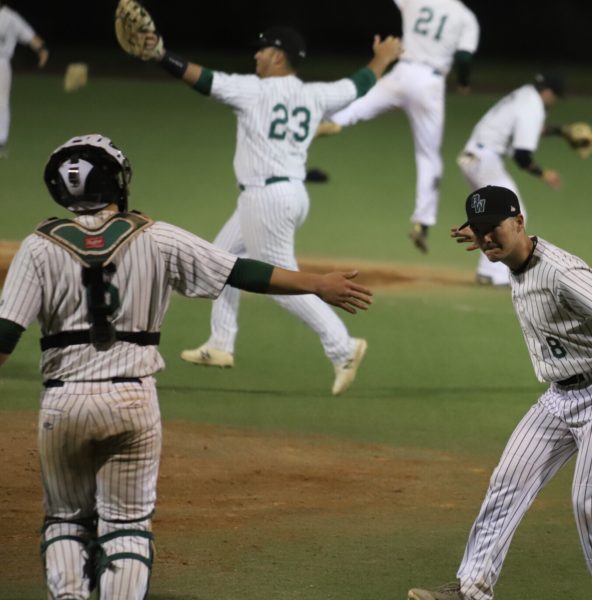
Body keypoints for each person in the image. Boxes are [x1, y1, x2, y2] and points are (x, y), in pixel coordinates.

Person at [0, 134, 374, 600]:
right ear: (116, 183)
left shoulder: (37, 248)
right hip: (133, 400)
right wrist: (315, 283)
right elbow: (239, 271)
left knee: (65, 522)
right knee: (127, 526)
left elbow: (4, 337)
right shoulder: (156, 236)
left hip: (62, 401)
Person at [407, 186, 592, 600]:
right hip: (560, 395)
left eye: (494, 228)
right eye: (479, 230)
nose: (487, 238)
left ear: (520, 222)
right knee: (507, 482)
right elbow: (496, 242)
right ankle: (471, 590)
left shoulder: (562, 273)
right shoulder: (512, 256)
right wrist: (486, 237)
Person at [145, 27, 401, 394]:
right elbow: (357, 85)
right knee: (220, 259)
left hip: (265, 200)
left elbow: (203, 80)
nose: (256, 56)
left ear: (279, 56)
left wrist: (161, 56)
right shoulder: (315, 94)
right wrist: (383, 59)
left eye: (262, 50)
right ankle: (220, 344)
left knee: (281, 284)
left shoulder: (253, 90)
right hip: (289, 196)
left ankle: (343, 347)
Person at [326, 0, 479, 254]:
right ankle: (423, 221)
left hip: (402, 73)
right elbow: (463, 57)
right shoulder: (466, 17)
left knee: (352, 109)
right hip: (430, 83)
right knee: (428, 154)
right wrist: (463, 82)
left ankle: (327, 125)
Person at [456, 73, 573, 286]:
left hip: (472, 157)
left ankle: (487, 272)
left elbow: (526, 129)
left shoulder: (524, 94)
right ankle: (495, 275)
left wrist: (559, 131)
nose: (554, 101)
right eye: (555, 96)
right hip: (485, 160)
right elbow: (522, 156)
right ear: (547, 92)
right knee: (513, 214)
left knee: (493, 216)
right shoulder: (534, 106)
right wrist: (544, 174)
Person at [0, 1, 48, 158]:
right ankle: (1, 139)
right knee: (2, 101)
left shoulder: (11, 17)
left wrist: (41, 50)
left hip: (2, 61)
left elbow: (30, 36)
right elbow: (30, 37)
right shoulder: (11, 17)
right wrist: (42, 50)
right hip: (2, 64)